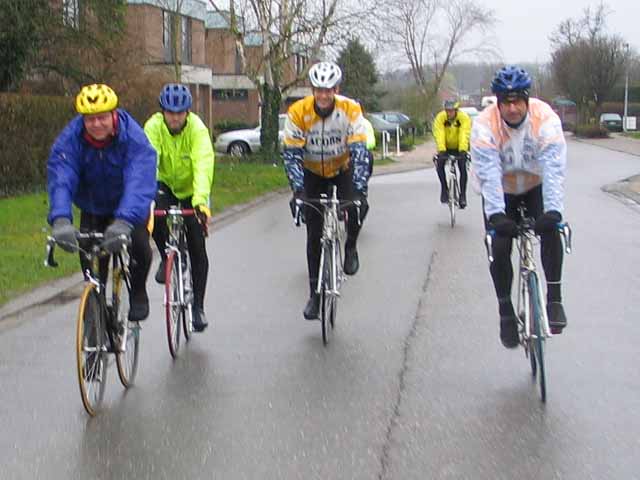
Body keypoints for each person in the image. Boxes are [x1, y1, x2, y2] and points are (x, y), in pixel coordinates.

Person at [471, 65, 568, 349]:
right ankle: (506, 313)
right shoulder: (484, 125)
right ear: (497, 103)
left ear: (527, 100)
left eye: (517, 101)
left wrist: (553, 211)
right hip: (502, 190)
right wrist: (496, 215)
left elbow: (553, 167)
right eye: (506, 102)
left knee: (551, 232)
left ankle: (554, 299)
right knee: (499, 246)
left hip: (536, 184)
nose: (512, 108)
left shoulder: (545, 118)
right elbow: (487, 173)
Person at [47, 84, 157, 321]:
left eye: (102, 118)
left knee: (139, 245)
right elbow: (62, 176)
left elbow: (139, 178)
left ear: (113, 114)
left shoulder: (133, 137)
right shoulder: (71, 139)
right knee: (90, 256)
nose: (96, 124)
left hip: (129, 209)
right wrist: (61, 219)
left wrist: (125, 220)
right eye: (90, 119)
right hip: (93, 206)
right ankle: (94, 309)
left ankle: (138, 293)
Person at [282, 61, 370, 320]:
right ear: (312, 90)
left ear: (336, 89)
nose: (323, 95)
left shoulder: (350, 109)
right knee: (313, 235)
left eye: (328, 90)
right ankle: (314, 296)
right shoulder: (298, 112)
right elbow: (291, 155)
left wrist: (358, 188)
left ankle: (351, 246)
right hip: (312, 173)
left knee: (357, 207)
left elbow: (361, 152)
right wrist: (298, 191)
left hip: (342, 168)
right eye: (319, 90)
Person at [144, 83, 215, 332]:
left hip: (192, 189)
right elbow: (147, 160)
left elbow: (203, 164)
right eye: (170, 112)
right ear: (162, 111)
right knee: (154, 213)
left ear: (187, 112)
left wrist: (199, 203)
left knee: (197, 245)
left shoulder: (197, 129)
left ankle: (198, 307)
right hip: (164, 183)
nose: (175, 118)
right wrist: (147, 198)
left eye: (180, 112)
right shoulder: (153, 127)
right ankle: (167, 257)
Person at [432, 99, 471, 208]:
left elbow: (464, 133)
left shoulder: (463, 118)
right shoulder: (440, 118)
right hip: (446, 147)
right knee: (440, 165)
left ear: (456, 110)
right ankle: (444, 189)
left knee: (462, 167)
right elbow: (439, 133)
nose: (449, 113)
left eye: (451, 111)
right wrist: (441, 150)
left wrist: (463, 150)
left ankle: (462, 195)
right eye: (447, 111)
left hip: (459, 146)